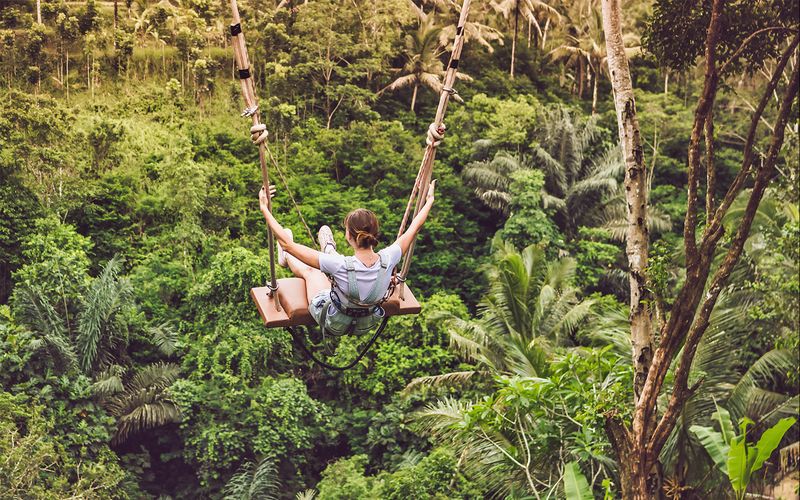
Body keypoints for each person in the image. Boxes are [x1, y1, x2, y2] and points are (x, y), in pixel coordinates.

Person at [258, 178, 437, 335]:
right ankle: (328, 247)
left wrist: (264, 208)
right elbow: (414, 227)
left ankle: (294, 257)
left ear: (349, 236)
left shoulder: (339, 265)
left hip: (333, 320)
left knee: (313, 272)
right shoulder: (390, 257)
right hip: (366, 323)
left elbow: (288, 245)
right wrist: (429, 201)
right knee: (334, 268)